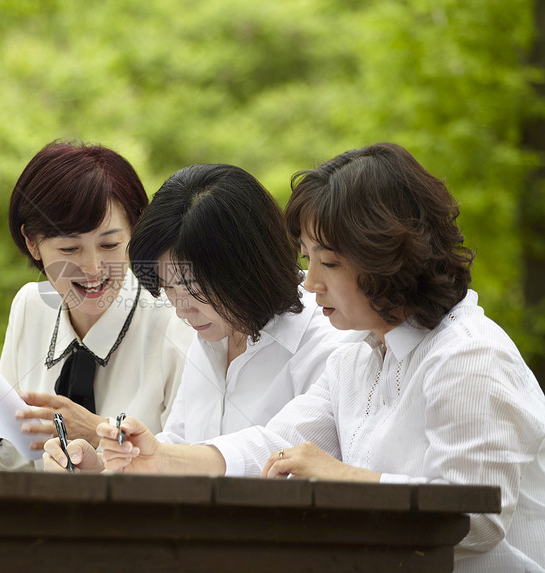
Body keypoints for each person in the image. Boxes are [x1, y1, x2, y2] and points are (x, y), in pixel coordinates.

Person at [47, 143, 545, 571]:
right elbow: (279, 442)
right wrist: (159, 458)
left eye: (329, 262)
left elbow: (479, 520)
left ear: (389, 258)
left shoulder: (469, 357)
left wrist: (348, 481)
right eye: (308, 259)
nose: (310, 283)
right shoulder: (363, 358)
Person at [43, 163, 352, 467]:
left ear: (245, 265)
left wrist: (163, 457)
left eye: (192, 288)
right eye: (168, 288)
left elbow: (281, 454)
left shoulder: (330, 339)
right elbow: (178, 443)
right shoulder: (214, 332)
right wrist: (99, 465)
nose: (181, 309)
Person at [0, 140, 193, 470]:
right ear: (32, 242)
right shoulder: (30, 307)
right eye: (70, 249)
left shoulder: (176, 316)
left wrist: (98, 432)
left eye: (110, 244)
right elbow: (18, 463)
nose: (94, 268)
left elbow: (192, 461)